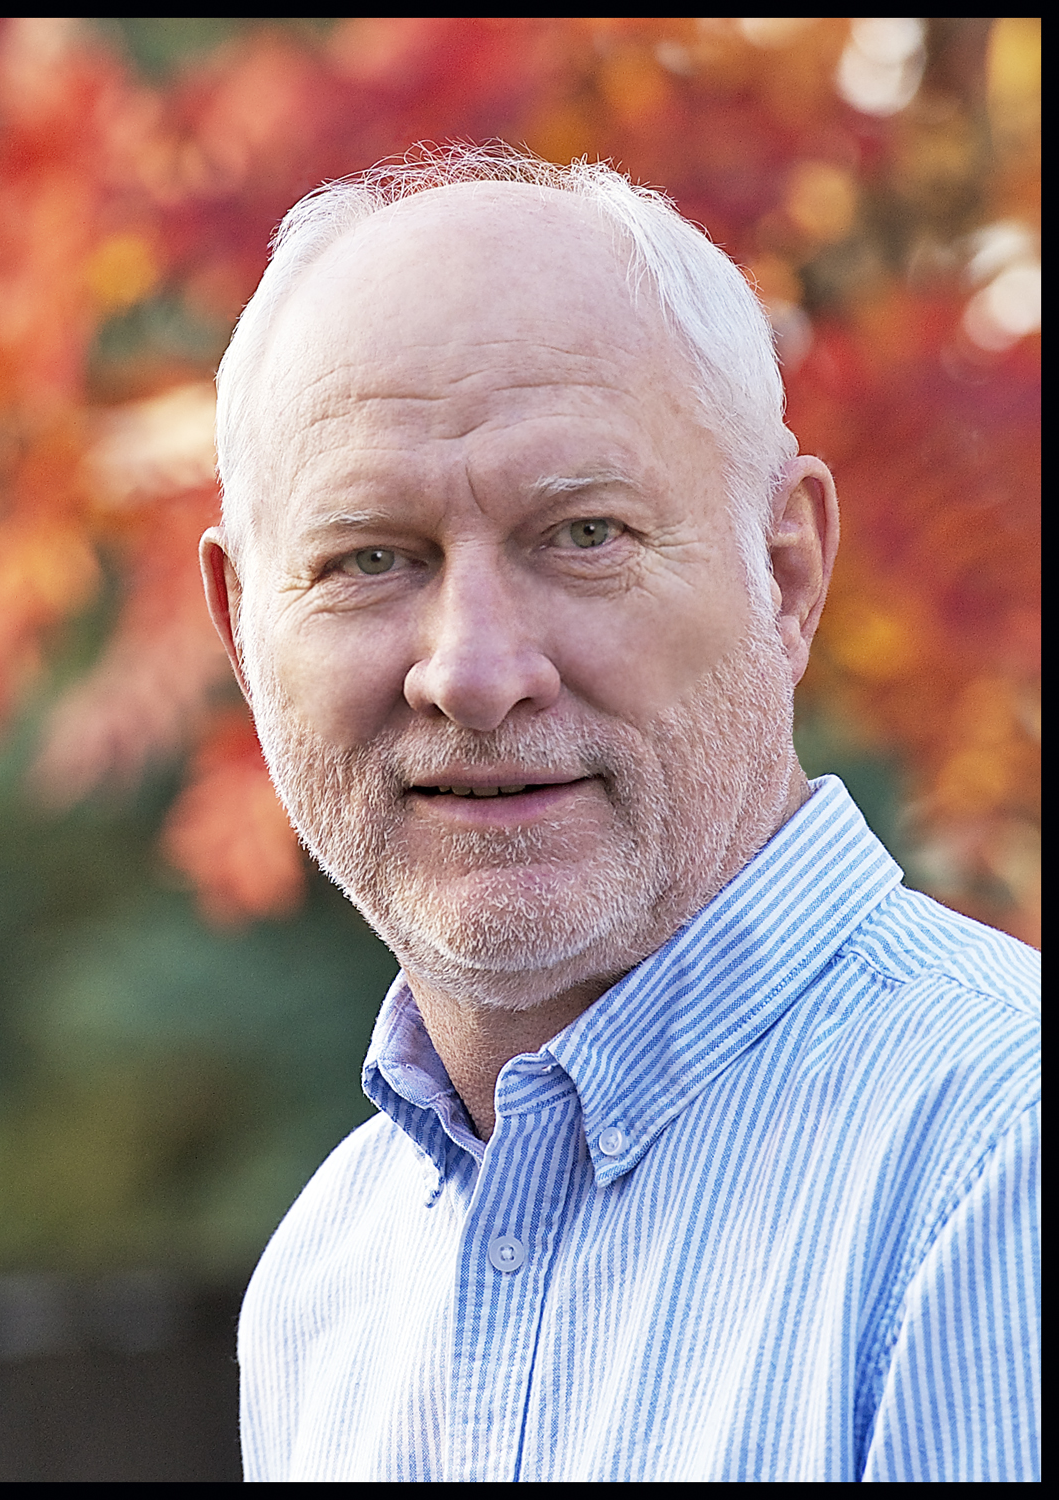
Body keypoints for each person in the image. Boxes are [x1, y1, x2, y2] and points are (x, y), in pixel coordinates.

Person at [199, 147, 1039, 1483]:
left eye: (583, 535)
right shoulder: (329, 1285)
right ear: (241, 631)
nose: (474, 672)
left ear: (786, 573)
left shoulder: (1000, 1170)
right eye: (370, 558)